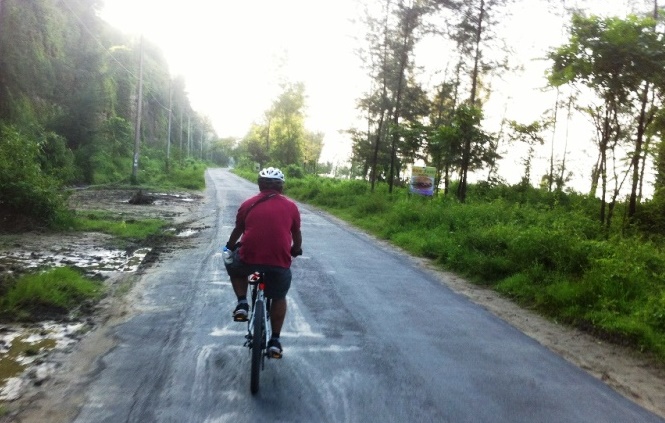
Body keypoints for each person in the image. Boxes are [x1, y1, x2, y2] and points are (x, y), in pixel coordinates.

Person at [224, 167, 302, 358]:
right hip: (279, 262)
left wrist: (229, 246)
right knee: (279, 296)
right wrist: (296, 249)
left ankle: (242, 303)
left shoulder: (248, 204)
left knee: (234, 267)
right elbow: (296, 234)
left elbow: (238, 230)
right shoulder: (291, 207)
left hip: (249, 257)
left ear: (260, 185)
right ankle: (275, 341)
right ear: (281, 187)